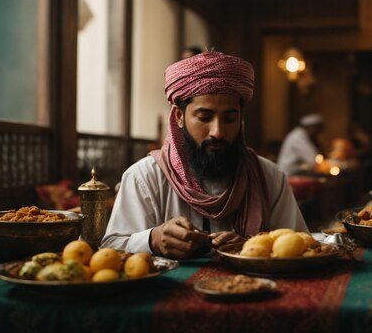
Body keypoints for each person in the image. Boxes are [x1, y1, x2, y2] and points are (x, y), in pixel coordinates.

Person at [101, 52, 308, 259]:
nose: (217, 131)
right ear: (179, 116)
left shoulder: (269, 176)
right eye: (204, 117)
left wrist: (252, 247)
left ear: (241, 118)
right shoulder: (144, 176)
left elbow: (302, 245)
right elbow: (110, 249)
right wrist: (153, 239)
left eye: (229, 118)